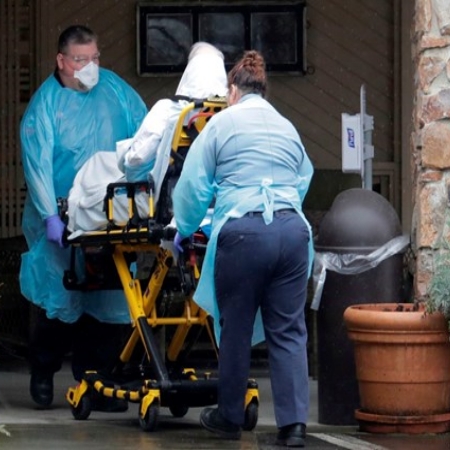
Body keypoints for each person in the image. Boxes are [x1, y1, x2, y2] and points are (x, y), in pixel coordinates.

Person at [171, 50, 314, 447]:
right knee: (289, 330)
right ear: (262, 91)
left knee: (235, 326)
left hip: (244, 234)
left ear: (232, 90)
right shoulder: (286, 126)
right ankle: (294, 426)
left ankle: (229, 417)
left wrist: (184, 228)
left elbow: (193, 185)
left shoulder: (222, 124)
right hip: (292, 232)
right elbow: (303, 177)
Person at [19, 24, 147, 409]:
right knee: (57, 303)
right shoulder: (45, 106)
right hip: (62, 219)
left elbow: (146, 138)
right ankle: (43, 373)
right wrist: (49, 216)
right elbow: (37, 166)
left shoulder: (116, 90)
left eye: (95, 58)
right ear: (61, 61)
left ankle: (97, 382)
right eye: (80, 60)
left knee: (108, 303)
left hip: (111, 215)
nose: (90, 67)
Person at [65, 41, 227, 234]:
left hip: (160, 199)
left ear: (190, 73)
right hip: (211, 197)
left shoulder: (169, 110)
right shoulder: (227, 116)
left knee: (95, 175)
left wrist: (130, 168)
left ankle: (70, 212)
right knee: (102, 161)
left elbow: (137, 160)